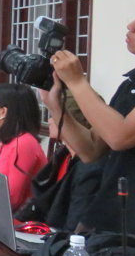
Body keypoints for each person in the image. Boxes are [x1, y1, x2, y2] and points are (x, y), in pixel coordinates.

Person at [42, 0, 135, 245]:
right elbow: (91, 150)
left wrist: (77, 83)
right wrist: (56, 106)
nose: (130, 26)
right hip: (109, 224)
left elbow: (121, 136)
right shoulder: (134, 82)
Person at [15, 92, 104, 231]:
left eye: (54, 115)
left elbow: (74, 224)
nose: (49, 121)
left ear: (72, 122)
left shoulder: (90, 168)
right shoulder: (64, 155)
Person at [0, 83, 46, 212]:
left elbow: (12, 198)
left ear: (3, 111)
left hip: (21, 224)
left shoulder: (24, 143)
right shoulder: (10, 140)